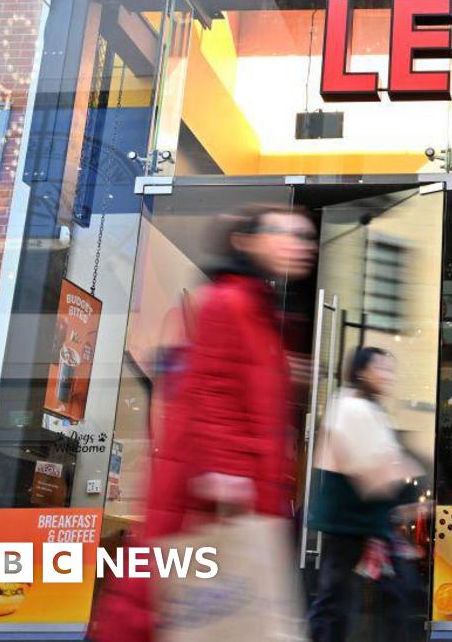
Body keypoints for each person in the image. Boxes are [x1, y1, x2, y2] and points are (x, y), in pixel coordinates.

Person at [88, 204, 316, 642]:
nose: (299, 244)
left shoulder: (262, 315)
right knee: (174, 609)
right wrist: (226, 471)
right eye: (284, 232)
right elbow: (208, 387)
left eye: (304, 236)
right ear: (245, 242)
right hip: (214, 497)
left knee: (199, 612)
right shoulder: (229, 303)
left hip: (239, 496)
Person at [308, 347, 425, 642]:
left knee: (377, 598)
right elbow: (372, 469)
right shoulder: (351, 407)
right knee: (339, 601)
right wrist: (408, 493)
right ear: (361, 371)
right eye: (380, 368)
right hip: (352, 522)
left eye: (390, 369)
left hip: (366, 524)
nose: (387, 375)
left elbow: (382, 464)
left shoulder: (368, 409)